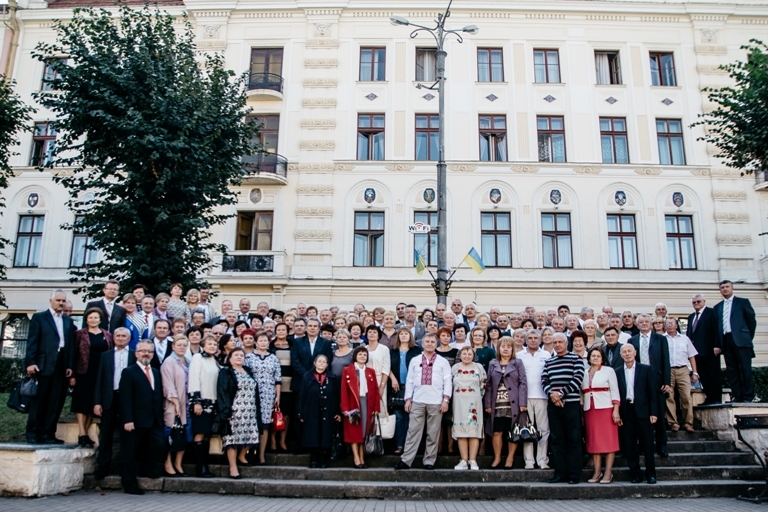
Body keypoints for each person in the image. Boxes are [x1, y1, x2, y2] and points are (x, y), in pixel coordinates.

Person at [24, 290, 76, 444]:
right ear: (51, 301)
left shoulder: (68, 321)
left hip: (61, 364)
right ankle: (33, 434)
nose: (61, 303)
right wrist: (30, 362)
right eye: (58, 300)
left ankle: (49, 434)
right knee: (40, 401)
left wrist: (70, 366)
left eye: (63, 301)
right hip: (43, 364)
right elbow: (32, 341)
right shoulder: (40, 318)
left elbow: (71, 346)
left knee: (55, 401)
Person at [395, 333, 453, 470]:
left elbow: (448, 381)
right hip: (417, 400)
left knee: (433, 433)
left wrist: (446, 400)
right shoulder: (415, 360)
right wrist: (408, 399)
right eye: (427, 341)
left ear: (436, 344)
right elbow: (409, 380)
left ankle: (429, 461)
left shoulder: (442, 361)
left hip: (436, 401)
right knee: (413, 431)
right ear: (422, 344)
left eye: (432, 342)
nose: (429, 344)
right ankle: (406, 460)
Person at [120, 340, 164, 495]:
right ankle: (129, 484)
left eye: (149, 351)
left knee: (159, 444)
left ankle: (146, 469)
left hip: (154, 419)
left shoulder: (156, 373)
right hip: (135, 420)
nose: (146, 353)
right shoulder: (129, 372)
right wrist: (128, 419)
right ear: (136, 353)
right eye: (143, 351)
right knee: (130, 453)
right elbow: (125, 398)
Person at [542, 333, 585, 484]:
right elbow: (544, 380)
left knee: (574, 440)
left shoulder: (576, 359)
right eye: (555, 342)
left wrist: (560, 394)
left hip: (571, 404)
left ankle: (574, 475)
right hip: (554, 406)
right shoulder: (549, 361)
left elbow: (578, 379)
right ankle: (560, 474)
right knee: (557, 440)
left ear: (567, 343)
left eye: (560, 342)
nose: (558, 344)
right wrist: (552, 395)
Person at [93, 327, 134, 479]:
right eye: (118, 336)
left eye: (124, 336)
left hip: (127, 399)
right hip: (109, 398)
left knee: (126, 436)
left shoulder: (133, 355)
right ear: (113, 338)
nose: (121, 338)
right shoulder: (106, 356)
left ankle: (125, 469)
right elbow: (99, 380)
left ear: (129, 339)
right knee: (106, 435)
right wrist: (97, 402)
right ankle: (102, 468)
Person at [629, 314, 670, 457]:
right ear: (637, 324)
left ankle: (661, 445)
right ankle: (643, 445)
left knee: (658, 413)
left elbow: (666, 361)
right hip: (639, 381)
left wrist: (667, 381)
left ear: (651, 324)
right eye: (641, 322)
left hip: (657, 381)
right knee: (641, 416)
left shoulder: (661, 339)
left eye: (647, 322)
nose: (644, 324)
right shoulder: (632, 340)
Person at [217, 347, 262, 478]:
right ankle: (233, 467)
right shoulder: (226, 372)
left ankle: (242, 456)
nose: (239, 357)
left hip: (250, 410)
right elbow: (222, 391)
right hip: (235, 409)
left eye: (241, 355)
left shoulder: (247, 370)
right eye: (236, 355)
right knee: (232, 439)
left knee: (251, 435)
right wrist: (226, 410)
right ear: (229, 358)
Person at [616, 343, 658, 484]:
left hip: (643, 411)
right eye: (624, 352)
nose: (627, 354)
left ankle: (651, 474)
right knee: (630, 445)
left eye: (629, 351)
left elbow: (653, 393)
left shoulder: (645, 369)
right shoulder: (617, 372)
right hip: (626, 411)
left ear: (635, 353)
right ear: (621, 355)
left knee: (647, 444)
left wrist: (654, 412)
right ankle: (635, 474)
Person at [72, 307, 113, 447]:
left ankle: (84, 434)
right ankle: (82, 433)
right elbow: (73, 354)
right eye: (90, 317)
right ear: (86, 319)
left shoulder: (107, 335)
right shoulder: (79, 334)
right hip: (84, 372)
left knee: (92, 403)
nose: (93, 320)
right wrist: (72, 373)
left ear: (100, 319)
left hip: (100, 372)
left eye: (96, 317)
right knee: (81, 402)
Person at [485, 337, 527, 469]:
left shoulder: (517, 363)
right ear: (498, 349)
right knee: (497, 431)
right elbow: (489, 385)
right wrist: (488, 404)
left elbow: (523, 383)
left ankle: (510, 457)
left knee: (511, 431)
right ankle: (497, 458)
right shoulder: (493, 363)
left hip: (512, 403)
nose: (506, 349)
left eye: (509, 347)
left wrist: (522, 402)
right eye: (503, 346)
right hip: (497, 403)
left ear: (512, 349)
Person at [582, 347, 620, 484]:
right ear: (589, 358)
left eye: (598, 356)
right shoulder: (584, 372)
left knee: (609, 441)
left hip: (606, 408)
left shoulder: (609, 371)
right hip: (590, 410)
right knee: (594, 442)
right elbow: (582, 393)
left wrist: (616, 410)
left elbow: (615, 391)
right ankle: (597, 472)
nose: (595, 358)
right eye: (593, 356)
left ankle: (608, 473)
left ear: (602, 358)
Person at [715, 280, 757, 403]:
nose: (725, 289)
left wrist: (746, 337)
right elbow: (718, 326)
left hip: (741, 341)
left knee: (745, 369)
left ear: (732, 288)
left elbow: (751, 322)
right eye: (722, 287)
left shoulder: (743, 302)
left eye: (727, 287)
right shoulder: (718, 307)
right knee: (732, 370)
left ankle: (748, 396)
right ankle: (737, 396)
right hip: (726, 341)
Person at [296, 355, 341, 468]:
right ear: (314, 363)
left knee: (325, 434)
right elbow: (302, 395)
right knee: (313, 434)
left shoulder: (332, 377)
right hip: (311, 410)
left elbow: (337, 396)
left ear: (327, 364)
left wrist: (337, 411)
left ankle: (323, 459)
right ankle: (314, 459)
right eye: (319, 361)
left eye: (324, 362)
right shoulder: (307, 376)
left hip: (328, 410)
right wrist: (300, 412)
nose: (321, 363)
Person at [245, 331, 282, 465]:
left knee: (265, 426)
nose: (263, 343)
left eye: (265, 340)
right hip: (251, 394)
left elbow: (278, 379)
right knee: (251, 425)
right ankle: (248, 454)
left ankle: (261, 455)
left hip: (268, 394)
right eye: (260, 340)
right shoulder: (248, 358)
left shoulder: (273, 358)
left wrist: (277, 396)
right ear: (255, 342)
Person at [341, 346, 381, 468]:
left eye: (364, 354)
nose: (362, 356)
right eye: (360, 354)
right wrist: (345, 408)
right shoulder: (348, 370)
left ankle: (362, 456)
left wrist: (376, 407)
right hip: (353, 404)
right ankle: (356, 458)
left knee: (364, 430)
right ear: (355, 356)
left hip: (367, 403)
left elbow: (375, 390)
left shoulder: (370, 371)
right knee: (354, 431)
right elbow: (344, 391)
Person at [188, 334, 221, 477]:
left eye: (214, 344)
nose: (212, 346)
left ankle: (206, 467)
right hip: (202, 402)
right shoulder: (197, 358)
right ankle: (200, 467)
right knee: (200, 433)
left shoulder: (215, 360)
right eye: (210, 344)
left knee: (207, 434)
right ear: (203, 345)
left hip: (214, 403)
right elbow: (193, 379)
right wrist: (196, 402)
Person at [518, 329, 551, 470]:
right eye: (530, 338)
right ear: (526, 340)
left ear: (540, 340)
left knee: (544, 429)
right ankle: (529, 461)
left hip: (542, 396)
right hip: (525, 397)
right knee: (527, 430)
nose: (532, 340)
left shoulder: (546, 354)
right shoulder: (519, 355)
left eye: (535, 338)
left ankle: (542, 460)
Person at [452, 346, 487, 471]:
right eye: (464, 354)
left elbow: (483, 385)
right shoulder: (455, 368)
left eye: (469, 354)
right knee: (461, 431)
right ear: (460, 355)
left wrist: (475, 396)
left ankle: (473, 460)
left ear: (473, 355)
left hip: (474, 403)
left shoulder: (478, 367)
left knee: (473, 432)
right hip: (459, 402)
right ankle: (463, 460)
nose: (467, 356)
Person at [389, 328, 422, 455]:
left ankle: (411, 447)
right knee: (399, 418)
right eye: (401, 334)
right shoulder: (393, 351)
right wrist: (393, 379)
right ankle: (399, 445)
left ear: (410, 336)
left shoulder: (417, 351)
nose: (403, 336)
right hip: (397, 388)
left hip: (413, 388)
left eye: (406, 334)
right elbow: (387, 367)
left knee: (411, 419)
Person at [161, 336, 190, 476]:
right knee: (170, 435)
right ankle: (168, 464)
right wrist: (176, 403)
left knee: (183, 435)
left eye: (185, 345)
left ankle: (178, 463)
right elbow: (168, 384)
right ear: (173, 346)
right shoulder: (169, 361)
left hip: (187, 404)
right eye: (179, 345)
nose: (182, 347)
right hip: (173, 404)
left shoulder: (188, 361)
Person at [664, 317, 698, 432]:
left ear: (676, 325)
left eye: (672, 323)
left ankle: (688, 423)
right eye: (667, 323)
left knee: (686, 397)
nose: (669, 325)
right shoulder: (662, 339)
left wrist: (695, 372)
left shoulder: (685, 339)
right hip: (668, 370)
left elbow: (691, 356)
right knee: (669, 397)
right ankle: (673, 422)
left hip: (683, 369)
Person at [687, 294, 722, 405]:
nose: (696, 304)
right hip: (697, 352)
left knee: (713, 375)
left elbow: (717, 329)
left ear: (704, 301)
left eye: (698, 301)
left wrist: (717, 345)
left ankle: (716, 398)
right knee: (704, 375)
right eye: (694, 302)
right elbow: (690, 333)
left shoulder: (711, 313)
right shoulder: (691, 316)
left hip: (710, 350)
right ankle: (709, 397)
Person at [290, 318, 334, 396]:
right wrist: (307, 375)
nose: (312, 328)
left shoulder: (326, 343)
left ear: (319, 328)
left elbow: (328, 360)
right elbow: (295, 360)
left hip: (319, 380)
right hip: (300, 380)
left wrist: (316, 374)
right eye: (310, 326)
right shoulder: (297, 342)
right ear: (306, 328)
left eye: (315, 326)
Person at [269, 323, 293, 452]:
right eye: (279, 329)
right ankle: (273, 440)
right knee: (274, 412)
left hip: (289, 383)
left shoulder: (293, 345)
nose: (281, 331)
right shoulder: (270, 346)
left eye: (284, 329)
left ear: (288, 331)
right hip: (274, 384)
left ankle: (282, 440)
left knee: (286, 414)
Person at [364, 324, 391, 416]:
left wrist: (382, 386)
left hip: (379, 380)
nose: (372, 334)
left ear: (378, 335)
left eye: (374, 332)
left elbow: (386, 368)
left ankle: (380, 430)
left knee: (380, 407)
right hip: (365, 381)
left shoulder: (384, 349)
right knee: (367, 407)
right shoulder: (363, 349)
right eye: (370, 332)